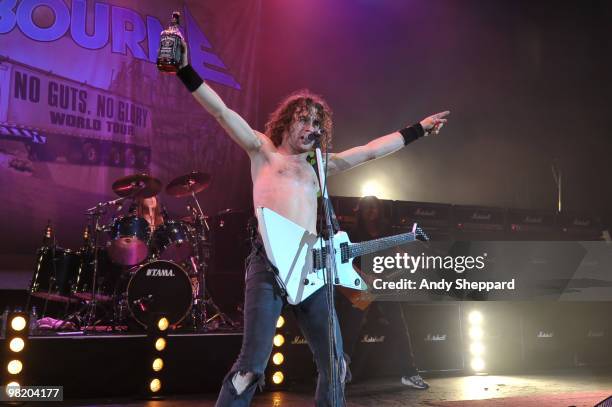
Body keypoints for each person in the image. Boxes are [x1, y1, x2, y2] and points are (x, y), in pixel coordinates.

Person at [174, 37, 449, 407]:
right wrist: (185, 70)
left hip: (311, 267)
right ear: (288, 121)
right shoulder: (263, 151)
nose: (312, 126)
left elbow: (369, 150)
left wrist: (418, 130)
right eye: (305, 119)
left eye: (318, 122)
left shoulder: (320, 166)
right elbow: (222, 112)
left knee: (335, 363)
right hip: (268, 265)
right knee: (251, 367)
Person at [336, 196, 429, 390]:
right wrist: (364, 277)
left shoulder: (386, 232)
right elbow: (344, 262)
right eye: (368, 208)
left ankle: (409, 373)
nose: (372, 212)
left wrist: (402, 256)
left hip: (384, 285)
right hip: (361, 285)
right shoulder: (353, 234)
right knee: (350, 329)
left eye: (375, 208)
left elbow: (395, 253)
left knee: (399, 327)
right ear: (360, 211)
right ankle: (340, 374)